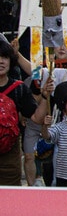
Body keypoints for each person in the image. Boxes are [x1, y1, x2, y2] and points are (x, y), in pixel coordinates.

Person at [0, 39, 44, 186]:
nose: (1, 62)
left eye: (5, 57)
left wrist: (45, 96)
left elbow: (36, 118)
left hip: (10, 154)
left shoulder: (19, 88)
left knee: (10, 194)